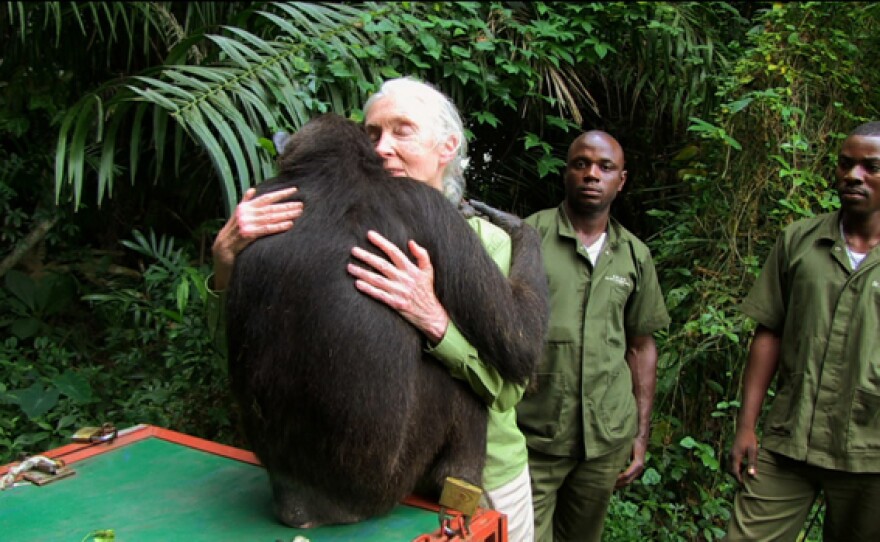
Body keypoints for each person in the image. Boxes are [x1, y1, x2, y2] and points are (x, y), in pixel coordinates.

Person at [209, 77, 536, 542]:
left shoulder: (486, 239)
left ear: (447, 147)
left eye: (402, 132)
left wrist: (437, 324)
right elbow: (238, 352)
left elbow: (511, 386)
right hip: (366, 477)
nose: (382, 149)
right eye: (372, 135)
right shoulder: (296, 223)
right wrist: (226, 258)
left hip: (479, 482)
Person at [724, 121, 880, 541]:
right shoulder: (801, 241)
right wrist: (746, 425)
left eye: (871, 167)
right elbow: (769, 332)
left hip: (871, 451)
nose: (854, 176)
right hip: (790, 437)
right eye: (846, 165)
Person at [515, 130, 670, 542]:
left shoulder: (634, 255)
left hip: (604, 440)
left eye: (605, 167)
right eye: (581, 163)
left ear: (622, 180)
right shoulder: (527, 237)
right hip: (534, 434)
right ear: (566, 173)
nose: (591, 174)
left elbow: (640, 346)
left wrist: (639, 435)